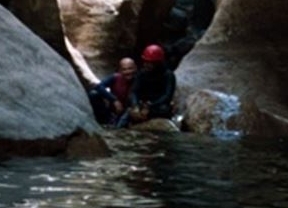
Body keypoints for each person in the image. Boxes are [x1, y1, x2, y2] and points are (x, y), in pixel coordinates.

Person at [117, 44, 176, 127]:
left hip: (158, 106)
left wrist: (151, 105)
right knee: (126, 116)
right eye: (146, 62)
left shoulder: (168, 75)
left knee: (164, 109)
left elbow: (167, 96)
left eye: (150, 63)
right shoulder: (142, 74)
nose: (146, 64)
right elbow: (133, 92)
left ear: (157, 63)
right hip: (142, 105)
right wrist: (135, 105)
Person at [88, 57, 137, 125]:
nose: (128, 72)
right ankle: (104, 121)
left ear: (135, 68)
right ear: (120, 70)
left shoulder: (139, 79)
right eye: (124, 69)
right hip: (112, 112)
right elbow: (99, 86)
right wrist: (114, 100)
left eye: (130, 68)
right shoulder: (115, 78)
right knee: (94, 94)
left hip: (129, 112)